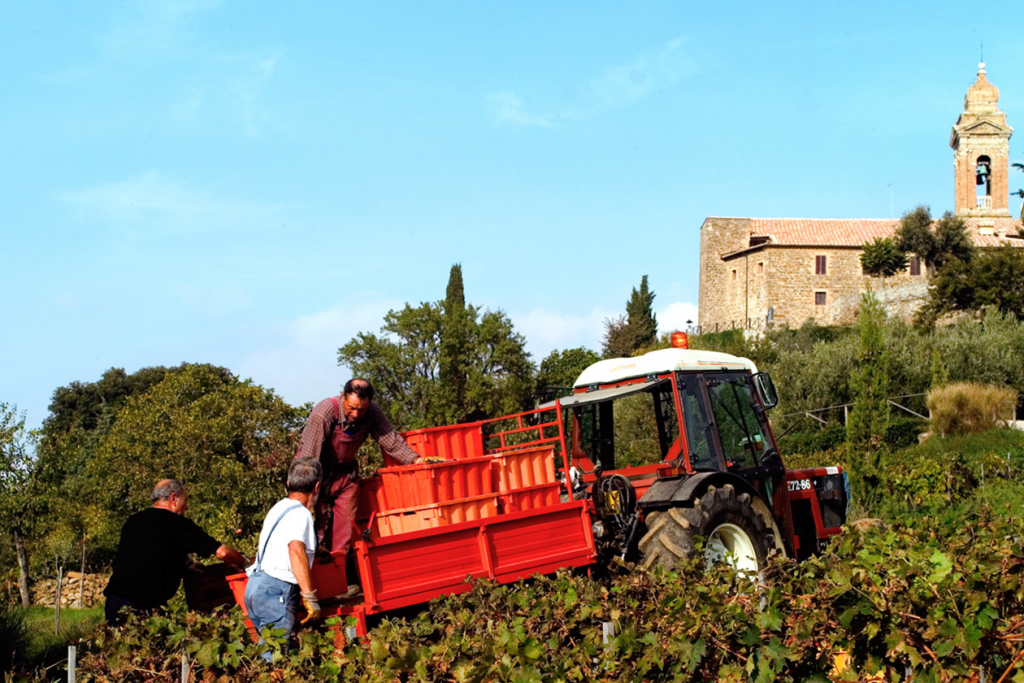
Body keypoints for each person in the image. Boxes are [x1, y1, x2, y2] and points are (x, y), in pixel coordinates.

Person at [298, 378, 431, 553]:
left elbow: (389, 440)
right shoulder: (324, 413)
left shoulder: (372, 412)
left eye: (361, 410)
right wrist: (307, 494)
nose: (355, 414)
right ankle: (315, 563)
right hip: (316, 474)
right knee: (316, 530)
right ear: (343, 396)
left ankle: (339, 565)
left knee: (345, 532)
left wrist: (416, 460)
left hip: (346, 475)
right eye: (351, 408)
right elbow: (309, 457)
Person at [104, 479, 248, 624]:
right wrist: (246, 563)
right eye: (185, 500)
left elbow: (148, 555)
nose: (187, 506)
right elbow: (222, 552)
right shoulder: (176, 523)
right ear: (174, 498)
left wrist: (184, 567)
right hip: (143, 605)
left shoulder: (133, 521)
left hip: (115, 601)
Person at [244, 457, 322, 659]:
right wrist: (309, 597)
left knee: (267, 652)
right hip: (276, 591)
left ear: (288, 483)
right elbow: (295, 550)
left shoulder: (278, 508)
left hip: (255, 587)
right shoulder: (301, 514)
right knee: (275, 657)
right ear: (317, 487)